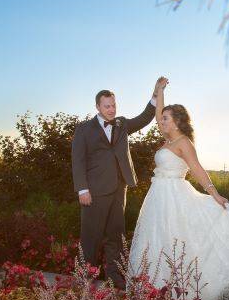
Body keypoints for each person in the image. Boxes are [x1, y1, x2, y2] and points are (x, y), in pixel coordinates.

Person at [128, 78, 229, 300]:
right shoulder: (168, 139)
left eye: (166, 119)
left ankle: (182, 291)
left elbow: (197, 168)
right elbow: (158, 114)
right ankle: (156, 290)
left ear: (177, 121)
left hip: (175, 196)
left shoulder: (183, 142)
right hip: (158, 196)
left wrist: (214, 194)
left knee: (177, 239)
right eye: (163, 118)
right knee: (157, 239)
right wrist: (158, 91)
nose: (161, 121)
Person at [71, 78, 168, 289]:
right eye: (107, 106)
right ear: (97, 107)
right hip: (94, 191)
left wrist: (155, 94)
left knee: (116, 235)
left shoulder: (122, 124)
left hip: (119, 189)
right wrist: (82, 189)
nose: (111, 109)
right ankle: (83, 280)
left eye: (114, 105)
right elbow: (77, 161)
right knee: (91, 237)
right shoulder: (84, 130)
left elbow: (144, 118)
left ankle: (115, 278)